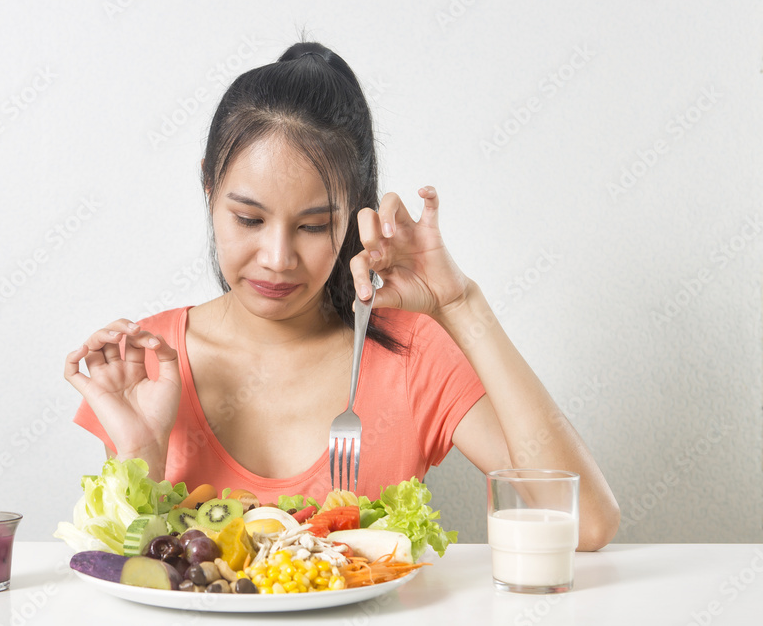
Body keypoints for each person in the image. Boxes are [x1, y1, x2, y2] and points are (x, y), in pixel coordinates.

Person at [64, 42, 620, 551]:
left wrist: (460, 303)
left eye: (312, 226)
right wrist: (140, 450)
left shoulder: (413, 355)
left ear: (354, 215)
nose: (277, 258)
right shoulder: (151, 357)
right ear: (209, 188)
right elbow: (129, 571)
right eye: (248, 218)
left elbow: (587, 525)